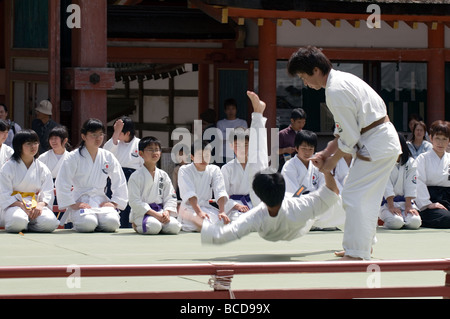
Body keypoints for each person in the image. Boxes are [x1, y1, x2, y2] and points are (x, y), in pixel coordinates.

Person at [287, 46, 401, 260]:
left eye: (304, 77)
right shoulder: (341, 80)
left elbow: (350, 137)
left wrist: (330, 163)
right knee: (363, 196)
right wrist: (326, 152)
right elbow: (343, 133)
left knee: (353, 195)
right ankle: (361, 247)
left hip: (375, 142)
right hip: (379, 140)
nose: (305, 83)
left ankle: (358, 251)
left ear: (315, 70)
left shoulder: (335, 91)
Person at [201, 168, 340, 245]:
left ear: (259, 197)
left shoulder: (256, 216)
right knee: (339, 202)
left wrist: (192, 217)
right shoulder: (300, 206)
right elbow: (332, 191)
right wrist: (326, 170)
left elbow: (221, 235)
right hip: (301, 220)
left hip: (272, 231)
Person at [55, 118, 128, 232]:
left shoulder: (107, 156)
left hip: (100, 200)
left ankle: (100, 221)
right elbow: (62, 182)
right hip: (81, 200)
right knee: (88, 223)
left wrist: (114, 202)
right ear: (84, 136)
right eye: (94, 134)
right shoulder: (73, 157)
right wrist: (72, 204)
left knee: (112, 223)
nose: (98, 138)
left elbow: (119, 180)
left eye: (100, 134)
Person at [281, 129, 345, 229]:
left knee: (338, 201)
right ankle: (316, 223)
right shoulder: (289, 166)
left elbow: (325, 186)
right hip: (300, 201)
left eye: (310, 149)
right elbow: (292, 193)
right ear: (297, 148)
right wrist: (308, 194)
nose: (307, 152)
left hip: (317, 202)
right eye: (304, 148)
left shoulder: (317, 164)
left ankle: (318, 223)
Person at [220, 91, 268, 221]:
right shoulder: (226, 169)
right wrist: (236, 205)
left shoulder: (255, 163)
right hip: (236, 208)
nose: (242, 148)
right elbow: (222, 195)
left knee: (260, 156)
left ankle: (258, 113)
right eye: (238, 145)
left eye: (246, 145)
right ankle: (258, 113)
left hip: (256, 202)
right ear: (231, 146)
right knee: (241, 221)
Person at [0, 130, 59, 233]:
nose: (33, 146)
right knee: (18, 220)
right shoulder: (7, 167)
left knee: (50, 222)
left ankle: (29, 224)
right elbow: (4, 194)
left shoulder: (42, 168)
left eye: (35, 143)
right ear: (19, 146)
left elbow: (47, 192)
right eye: (28, 143)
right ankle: (24, 223)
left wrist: (40, 205)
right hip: (13, 206)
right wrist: (22, 206)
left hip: (35, 205)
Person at [128, 136, 181, 235]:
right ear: (141, 153)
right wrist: (155, 215)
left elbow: (170, 197)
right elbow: (134, 201)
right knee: (153, 227)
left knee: (175, 227)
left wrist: (167, 212)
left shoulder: (163, 175)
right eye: (150, 149)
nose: (154, 152)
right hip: (143, 213)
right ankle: (136, 225)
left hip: (160, 211)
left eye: (157, 149)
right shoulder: (135, 176)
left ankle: (160, 224)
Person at [177, 140, 230, 232]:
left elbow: (220, 191)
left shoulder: (214, 170)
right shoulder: (184, 170)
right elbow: (190, 194)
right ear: (192, 157)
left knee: (223, 222)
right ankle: (189, 218)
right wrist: (199, 212)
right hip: (190, 208)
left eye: (206, 156)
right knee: (204, 224)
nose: (203, 159)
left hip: (206, 207)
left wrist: (222, 211)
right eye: (199, 156)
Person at [103, 116, 143, 228]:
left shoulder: (139, 144)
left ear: (127, 133)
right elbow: (105, 154)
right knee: (114, 204)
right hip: (115, 178)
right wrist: (116, 133)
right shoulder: (114, 143)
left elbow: (144, 165)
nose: (117, 134)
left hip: (133, 179)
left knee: (130, 206)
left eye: (120, 132)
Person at [379, 133, 421, 230]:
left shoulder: (410, 162)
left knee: (415, 222)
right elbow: (386, 185)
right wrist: (391, 206)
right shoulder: (383, 163)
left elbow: (411, 184)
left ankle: (404, 218)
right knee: (396, 223)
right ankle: (393, 220)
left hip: (406, 202)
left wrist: (408, 206)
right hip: (386, 204)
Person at [415, 120, 450, 228]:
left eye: (444, 139)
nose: (441, 143)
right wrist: (428, 204)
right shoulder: (423, 158)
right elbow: (418, 181)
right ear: (431, 138)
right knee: (446, 218)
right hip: (430, 200)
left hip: (448, 198)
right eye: (437, 138)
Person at [216, 98, 248, 163]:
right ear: (225, 110)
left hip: (239, 153)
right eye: (228, 109)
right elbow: (220, 138)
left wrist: (227, 135)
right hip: (224, 154)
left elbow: (244, 137)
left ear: (236, 110)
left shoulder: (243, 122)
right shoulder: (220, 123)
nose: (231, 111)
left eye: (233, 108)